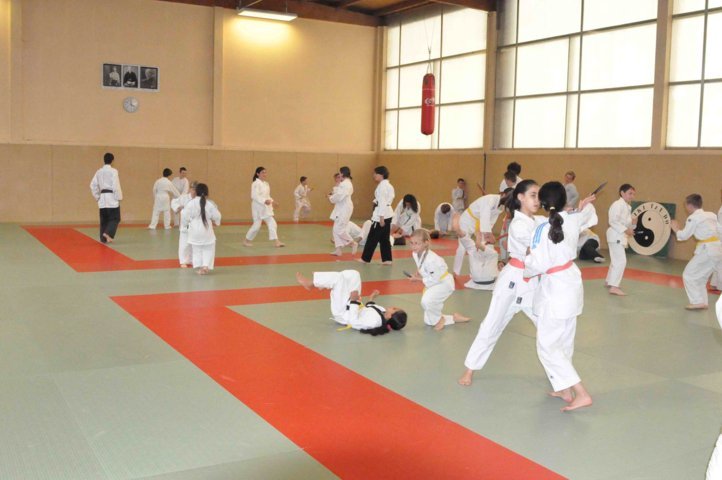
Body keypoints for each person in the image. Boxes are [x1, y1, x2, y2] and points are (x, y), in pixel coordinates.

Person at [458, 180, 542, 387]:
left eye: (538, 195)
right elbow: (534, 251)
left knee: (547, 326)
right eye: (532, 195)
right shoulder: (518, 224)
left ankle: (559, 376)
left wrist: (576, 211)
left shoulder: (539, 220)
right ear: (520, 197)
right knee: (492, 324)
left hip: (532, 283)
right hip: (513, 279)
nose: (537, 199)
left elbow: (560, 222)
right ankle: (470, 369)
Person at [525, 181, 598, 412]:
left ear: (543, 203)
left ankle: (581, 392)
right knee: (564, 340)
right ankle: (564, 389)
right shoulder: (572, 219)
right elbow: (588, 218)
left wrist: (527, 260)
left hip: (554, 290)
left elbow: (535, 264)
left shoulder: (542, 229)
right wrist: (582, 206)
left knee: (547, 345)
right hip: (571, 283)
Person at [296, 270, 407, 335]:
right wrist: (372, 296)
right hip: (352, 303)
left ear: (390, 316)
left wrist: (354, 301)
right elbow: (370, 306)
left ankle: (311, 284)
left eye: (395, 308)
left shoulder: (374, 322)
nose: (393, 306)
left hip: (343, 312)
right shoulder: (382, 311)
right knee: (354, 274)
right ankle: (325, 283)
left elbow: (353, 322)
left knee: (338, 279)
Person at [407, 229, 470, 331]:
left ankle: (441, 319)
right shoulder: (415, 253)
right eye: (411, 243)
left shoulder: (431, 259)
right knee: (429, 320)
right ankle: (453, 318)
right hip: (434, 282)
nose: (413, 246)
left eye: (417, 243)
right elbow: (421, 264)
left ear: (426, 243)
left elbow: (434, 278)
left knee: (427, 301)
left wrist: (417, 279)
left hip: (443, 283)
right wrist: (418, 272)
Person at [671, 194, 722, 310]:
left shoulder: (693, 218)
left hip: (707, 250)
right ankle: (702, 302)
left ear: (689, 205)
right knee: (701, 278)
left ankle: (697, 301)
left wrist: (676, 229)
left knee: (688, 274)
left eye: (685, 205)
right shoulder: (711, 215)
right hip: (718, 249)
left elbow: (684, 236)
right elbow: (720, 231)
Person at [453, 190, 511, 276]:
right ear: (503, 194)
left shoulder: (501, 208)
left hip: (480, 224)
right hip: (468, 220)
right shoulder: (490, 199)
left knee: (485, 246)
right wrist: (488, 234)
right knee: (462, 247)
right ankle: (455, 272)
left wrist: (487, 235)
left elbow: (491, 221)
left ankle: (481, 270)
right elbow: (485, 216)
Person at [452, 213, 500, 290]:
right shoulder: (493, 253)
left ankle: (459, 231)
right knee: (473, 248)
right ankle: (459, 231)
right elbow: (479, 245)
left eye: (488, 235)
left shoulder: (492, 253)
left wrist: (478, 235)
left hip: (478, 278)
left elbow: (478, 245)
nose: (487, 235)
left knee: (473, 248)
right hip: (485, 279)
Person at [182, 183, 221, 275]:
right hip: (206, 230)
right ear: (207, 193)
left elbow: (184, 216)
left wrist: (185, 224)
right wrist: (217, 222)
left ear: (196, 192)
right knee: (209, 248)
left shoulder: (190, 203)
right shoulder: (210, 204)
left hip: (194, 230)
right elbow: (217, 216)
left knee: (196, 249)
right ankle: (205, 266)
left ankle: (200, 267)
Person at [359, 166, 395, 265]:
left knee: (372, 237)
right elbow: (385, 200)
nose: (374, 175)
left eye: (375, 173)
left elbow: (382, 202)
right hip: (388, 213)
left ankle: (365, 259)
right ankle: (387, 259)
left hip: (381, 215)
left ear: (381, 174)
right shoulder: (388, 185)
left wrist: (381, 218)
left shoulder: (382, 186)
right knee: (384, 238)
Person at [606, 184, 637, 296]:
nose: (632, 196)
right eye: (630, 193)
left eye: (633, 194)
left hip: (619, 236)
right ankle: (614, 287)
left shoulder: (627, 207)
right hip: (616, 235)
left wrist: (633, 224)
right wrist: (625, 230)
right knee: (621, 261)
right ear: (622, 193)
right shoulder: (617, 204)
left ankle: (609, 281)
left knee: (616, 260)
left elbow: (628, 227)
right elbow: (613, 221)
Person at [244, 167, 284, 248]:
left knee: (265, 224)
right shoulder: (255, 183)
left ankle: (276, 241)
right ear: (257, 174)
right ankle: (246, 241)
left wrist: (272, 202)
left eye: (265, 172)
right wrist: (264, 201)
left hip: (265, 207)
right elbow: (254, 196)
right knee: (263, 224)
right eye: (262, 172)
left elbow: (267, 196)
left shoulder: (266, 184)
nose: (264, 174)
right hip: (258, 207)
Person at [89, 152, 123, 243]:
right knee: (115, 218)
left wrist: (97, 196)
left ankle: (103, 238)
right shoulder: (114, 171)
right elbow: (116, 185)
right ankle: (108, 233)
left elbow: (92, 185)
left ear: (104, 160)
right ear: (112, 161)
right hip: (111, 197)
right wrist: (119, 197)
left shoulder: (98, 171)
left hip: (102, 197)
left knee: (104, 219)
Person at [328, 167, 356, 255]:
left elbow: (339, 196)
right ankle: (338, 250)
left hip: (344, 209)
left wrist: (331, 198)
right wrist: (333, 196)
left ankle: (352, 243)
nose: (339, 175)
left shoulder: (345, 184)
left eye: (340, 173)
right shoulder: (344, 183)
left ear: (343, 174)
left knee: (339, 229)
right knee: (335, 229)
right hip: (341, 208)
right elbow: (338, 194)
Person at [172, 181, 198, 268]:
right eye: (193, 189)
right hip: (185, 224)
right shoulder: (184, 198)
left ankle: (192, 260)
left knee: (194, 243)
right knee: (184, 243)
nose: (194, 191)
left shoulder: (199, 199)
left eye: (196, 189)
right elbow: (174, 202)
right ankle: (183, 261)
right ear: (190, 189)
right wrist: (178, 208)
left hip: (195, 224)